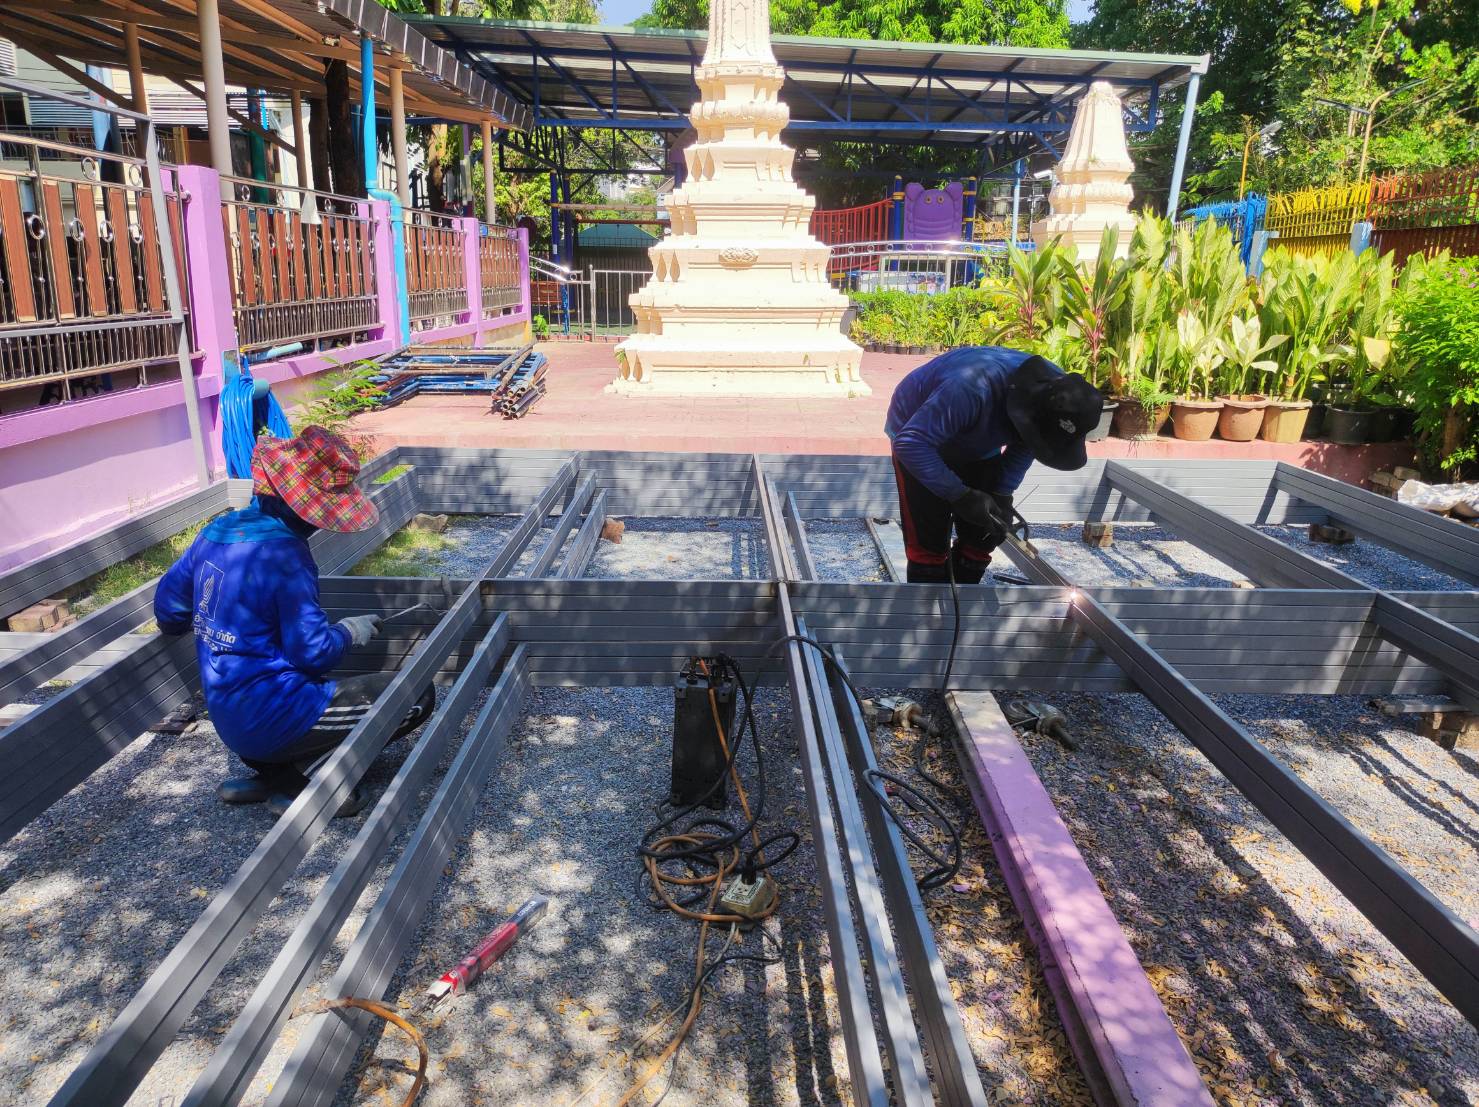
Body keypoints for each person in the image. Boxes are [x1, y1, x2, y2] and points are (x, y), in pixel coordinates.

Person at [154, 426, 434, 816]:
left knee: (291, 690)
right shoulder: (285, 556)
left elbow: (169, 614)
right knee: (416, 695)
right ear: (299, 507)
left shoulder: (213, 535)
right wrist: (348, 632)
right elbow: (313, 654)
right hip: (275, 717)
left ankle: (275, 777)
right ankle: (310, 785)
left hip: (229, 718)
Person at [886, 347, 1103, 583]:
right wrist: (960, 495)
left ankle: (964, 595)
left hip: (976, 430)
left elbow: (1030, 443)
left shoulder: (1061, 395)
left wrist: (1002, 493)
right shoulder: (969, 388)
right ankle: (926, 598)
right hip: (918, 432)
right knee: (928, 539)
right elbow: (911, 444)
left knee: (983, 536)